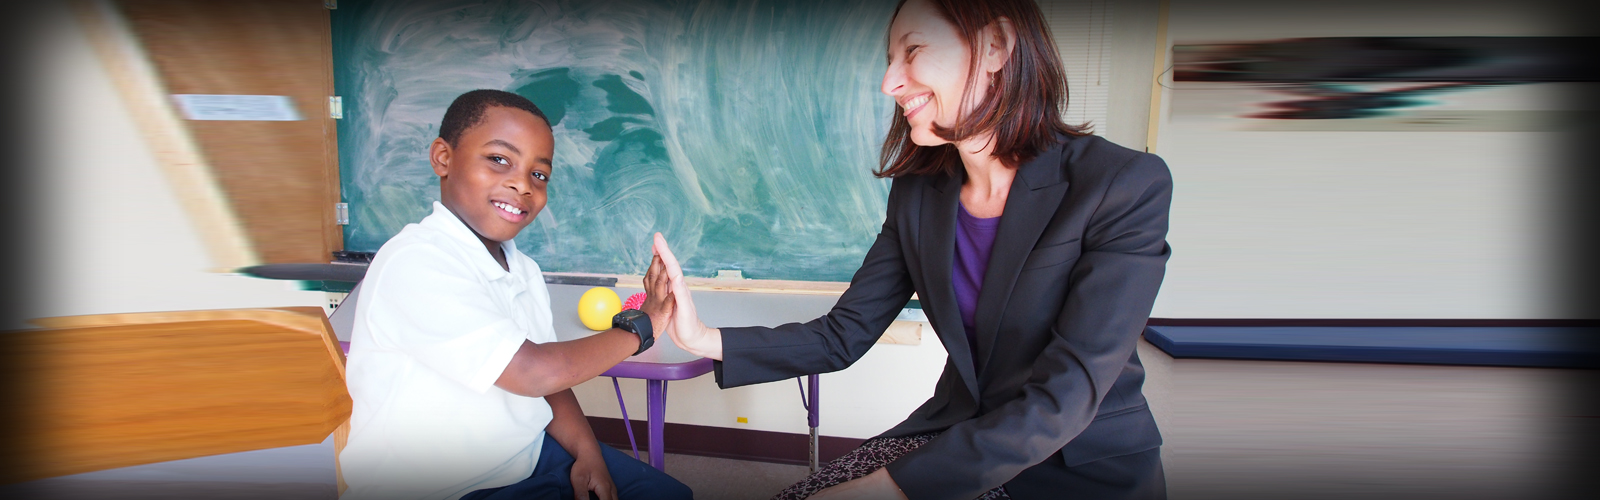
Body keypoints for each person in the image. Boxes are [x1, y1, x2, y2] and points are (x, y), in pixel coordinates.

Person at [650, 0, 1172, 498]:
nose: (889, 82)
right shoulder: (920, 193)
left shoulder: (1122, 183)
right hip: (957, 430)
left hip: (1076, 464)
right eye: (889, 60)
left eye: (913, 51)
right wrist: (700, 337)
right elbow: (842, 335)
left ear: (996, 45)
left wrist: (891, 488)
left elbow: (1069, 393)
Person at [339, 89, 692, 500]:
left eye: (539, 174)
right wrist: (642, 325)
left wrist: (588, 452)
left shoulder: (522, 268)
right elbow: (535, 371)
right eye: (499, 159)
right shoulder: (416, 261)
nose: (522, 184)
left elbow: (550, 383)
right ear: (443, 158)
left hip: (526, 456)